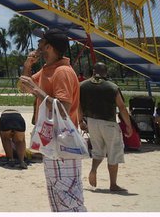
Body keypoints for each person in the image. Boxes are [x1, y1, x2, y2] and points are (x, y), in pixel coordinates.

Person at [18, 28, 86, 212]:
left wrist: (37, 90)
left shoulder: (62, 71)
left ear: (49, 46)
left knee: (68, 197)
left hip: (63, 142)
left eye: (41, 42)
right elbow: (24, 86)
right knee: (57, 193)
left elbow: (63, 108)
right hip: (52, 141)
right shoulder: (48, 69)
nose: (38, 45)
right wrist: (27, 65)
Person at [79, 62, 133, 192]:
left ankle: (93, 170)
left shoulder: (82, 85)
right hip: (108, 123)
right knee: (113, 152)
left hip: (91, 121)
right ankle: (113, 184)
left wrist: (81, 121)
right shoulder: (112, 87)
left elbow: (78, 105)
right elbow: (121, 107)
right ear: (106, 72)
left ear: (93, 71)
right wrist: (129, 125)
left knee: (98, 150)